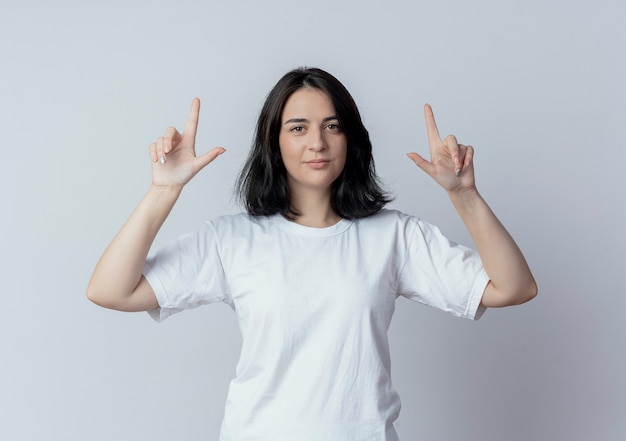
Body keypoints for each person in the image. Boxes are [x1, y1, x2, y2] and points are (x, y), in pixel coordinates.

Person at [87, 67, 537, 440]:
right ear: (274, 142)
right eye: (298, 128)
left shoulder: (393, 236)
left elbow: (514, 287)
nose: (317, 143)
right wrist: (163, 190)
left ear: (350, 139)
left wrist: (464, 195)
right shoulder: (233, 240)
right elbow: (110, 291)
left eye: (332, 126)